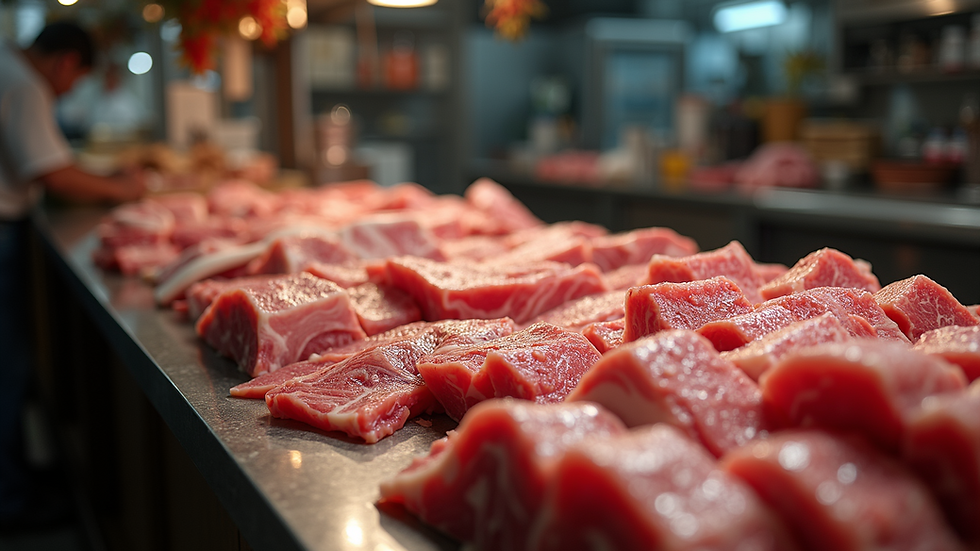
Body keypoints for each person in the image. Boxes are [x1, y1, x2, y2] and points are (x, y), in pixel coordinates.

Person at [0, 21, 145, 528]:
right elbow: (52, 171)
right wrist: (119, 189)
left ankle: (15, 479)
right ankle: (13, 499)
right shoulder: (23, 84)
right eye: (76, 77)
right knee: (7, 364)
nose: (71, 88)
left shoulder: (8, 67)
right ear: (65, 62)